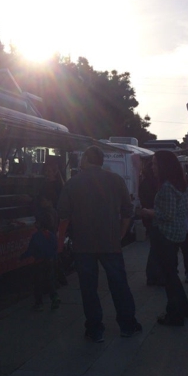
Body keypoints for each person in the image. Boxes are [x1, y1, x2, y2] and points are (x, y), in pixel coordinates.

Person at [57, 145, 141, 342]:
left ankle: (95, 329)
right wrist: (120, 234)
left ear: (86, 159)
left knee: (88, 287)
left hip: (83, 245)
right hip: (111, 242)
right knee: (119, 284)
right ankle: (127, 324)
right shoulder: (116, 180)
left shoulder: (73, 183)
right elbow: (128, 212)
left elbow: (62, 215)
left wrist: (61, 242)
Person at [140, 150, 188, 326]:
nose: (152, 167)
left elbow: (167, 214)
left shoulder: (167, 187)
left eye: (154, 163)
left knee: (169, 276)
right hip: (176, 234)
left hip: (165, 235)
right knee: (172, 274)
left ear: (163, 165)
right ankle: (183, 308)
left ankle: (175, 314)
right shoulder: (180, 185)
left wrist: (147, 212)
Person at [19, 211, 60, 311]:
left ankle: (39, 303)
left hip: (39, 262)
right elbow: (55, 246)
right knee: (50, 280)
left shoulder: (36, 236)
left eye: (36, 222)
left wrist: (22, 257)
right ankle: (54, 297)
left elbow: (31, 250)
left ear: (39, 224)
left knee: (37, 283)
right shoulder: (50, 234)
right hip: (50, 260)